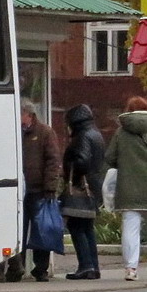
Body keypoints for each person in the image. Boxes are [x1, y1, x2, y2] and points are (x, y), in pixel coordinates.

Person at [10, 99, 62, 282]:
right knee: (19, 231)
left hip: (39, 190)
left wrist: (50, 187)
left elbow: (53, 160)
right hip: (19, 191)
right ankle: (17, 267)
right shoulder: (16, 132)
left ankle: (41, 269)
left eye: (20, 114)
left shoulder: (45, 132)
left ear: (28, 114)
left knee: (42, 230)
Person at [103, 95, 147, 281]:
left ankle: (131, 269)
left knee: (131, 228)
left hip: (129, 188)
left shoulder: (121, 133)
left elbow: (110, 158)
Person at [61, 104, 106, 280]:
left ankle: (85, 266)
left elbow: (83, 161)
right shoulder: (95, 133)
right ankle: (93, 266)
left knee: (76, 226)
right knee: (87, 228)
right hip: (93, 187)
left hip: (80, 188)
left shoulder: (82, 136)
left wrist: (69, 165)